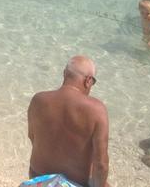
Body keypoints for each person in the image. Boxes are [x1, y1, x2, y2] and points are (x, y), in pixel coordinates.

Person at [27, 55, 109, 187]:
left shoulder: (38, 100)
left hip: (38, 180)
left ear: (65, 74)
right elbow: (101, 165)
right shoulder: (96, 110)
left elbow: (32, 137)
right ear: (88, 81)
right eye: (93, 82)